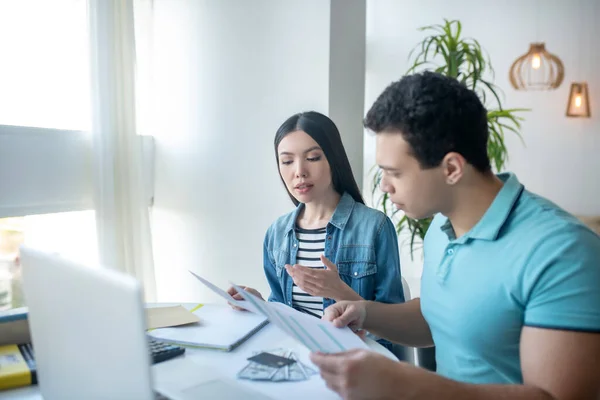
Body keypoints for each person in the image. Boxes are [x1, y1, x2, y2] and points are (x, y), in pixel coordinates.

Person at [309, 72, 600, 400]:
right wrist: (363, 312)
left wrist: (407, 385)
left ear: (452, 169)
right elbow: (439, 319)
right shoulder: (441, 227)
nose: (384, 186)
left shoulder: (564, 253)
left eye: (395, 173)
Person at [227, 111, 405, 354]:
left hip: (358, 362)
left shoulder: (375, 227)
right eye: (287, 161)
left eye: (312, 157)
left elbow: (393, 330)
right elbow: (284, 312)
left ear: (334, 159)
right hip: (298, 359)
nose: (299, 171)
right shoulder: (277, 233)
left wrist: (339, 291)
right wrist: (259, 305)